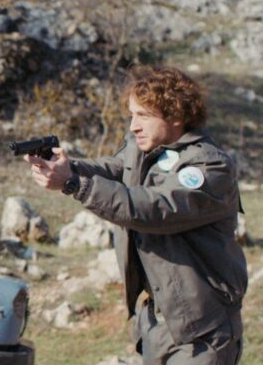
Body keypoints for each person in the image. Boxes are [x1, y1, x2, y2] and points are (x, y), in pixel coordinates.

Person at [24, 65, 247, 364]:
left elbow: (153, 209)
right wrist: (67, 166)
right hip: (158, 321)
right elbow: (115, 169)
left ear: (176, 115)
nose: (133, 126)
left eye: (143, 115)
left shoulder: (210, 167)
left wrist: (74, 184)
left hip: (203, 329)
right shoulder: (147, 149)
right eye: (132, 115)